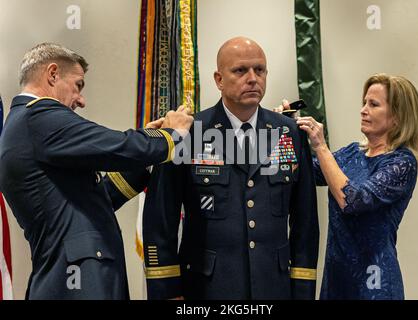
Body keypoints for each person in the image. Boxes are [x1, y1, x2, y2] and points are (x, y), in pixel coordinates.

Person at [105, 36, 320, 300]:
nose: (253, 78)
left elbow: (306, 223)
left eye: (260, 70)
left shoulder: (288, 133)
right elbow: (161, 222)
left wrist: (303, 290)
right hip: (207, 287)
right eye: (240, 70)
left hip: (273, 286)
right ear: (219, 79)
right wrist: (168, 292)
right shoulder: (189, 133)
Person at [0, 43, 193, 299]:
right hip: (79, 282)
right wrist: (173, 135)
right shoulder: (39, 117)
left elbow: (95, 199)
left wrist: (148, 147)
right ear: (53, 74)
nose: (81, 100)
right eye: (78, 85)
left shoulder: (26, 124)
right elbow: (116, 145)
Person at [279, 73, 418, 299]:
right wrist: (284, 130)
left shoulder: (402, 162)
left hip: (374, 283)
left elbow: (353, 201)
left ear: (397, 116)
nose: (363, 110)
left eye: (373, 104)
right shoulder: (351, 153)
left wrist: (321, 146)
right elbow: (301, 172)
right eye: (364, 103)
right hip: (336, 278)